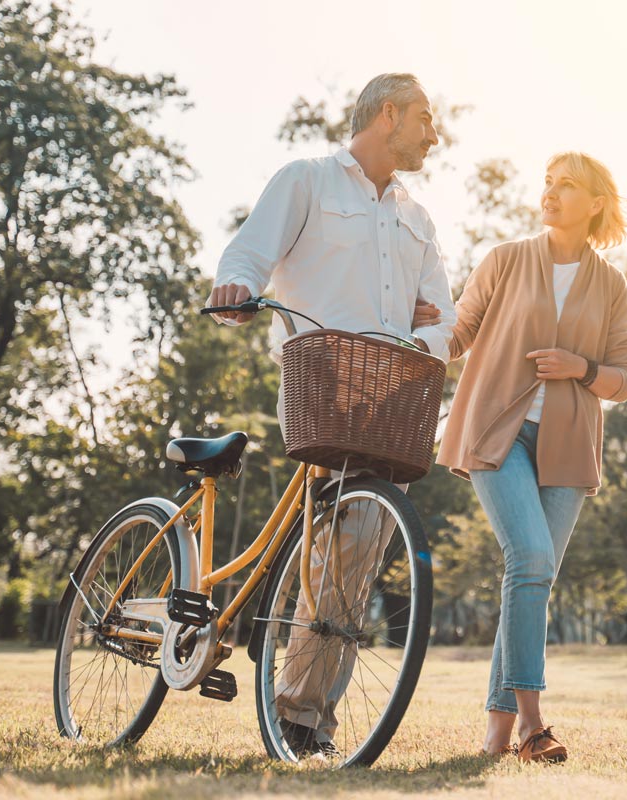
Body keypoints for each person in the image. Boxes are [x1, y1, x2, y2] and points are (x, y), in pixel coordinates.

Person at [209, 73, 456, 758]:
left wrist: (420, 334)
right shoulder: (308, 180)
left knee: (359, 547)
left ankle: (304, 714)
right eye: (425, 120)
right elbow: (250, 251)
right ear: (387, 115)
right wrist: (236, 286)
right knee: (339, 546)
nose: (433, 135)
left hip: (393, 396)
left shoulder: (418, 217)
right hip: (322, 386)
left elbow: (447, 315)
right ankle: (301, 716)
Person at [431, 151, 627, 763]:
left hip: (569, 448)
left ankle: (496, 736)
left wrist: (583, 369)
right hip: (498, 431)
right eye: (547, 183)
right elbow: (459, 331)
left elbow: (625, 378)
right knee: (529, 559)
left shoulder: (611, 284)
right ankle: (532, 725)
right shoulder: (507, 259)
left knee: (532, 576)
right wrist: (412, 334)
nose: (550, 194)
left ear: (596, 202)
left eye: (566, 186)